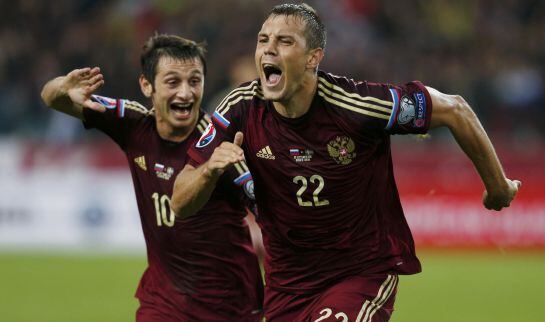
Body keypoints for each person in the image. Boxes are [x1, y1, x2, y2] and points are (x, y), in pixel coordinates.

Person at [171, 3, 521, 322]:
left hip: (361, 273)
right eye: (263, 40)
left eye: (285, 41)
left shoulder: (357, 105)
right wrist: (209, 171)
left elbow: (455, 109)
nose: (269, 49)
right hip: (287, 288)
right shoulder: (240, 107)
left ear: (313, 57)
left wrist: (498, 186)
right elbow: (180, 203)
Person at [41, 34, 263, 321]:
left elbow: (270, 213)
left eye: (194, 81)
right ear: (147, 85)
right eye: (173, 82)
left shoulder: (220, 145)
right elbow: (51, 97)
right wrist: (62, 87)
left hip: (231, 306)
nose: (185, 93)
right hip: (164, 302)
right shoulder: (134, 125)